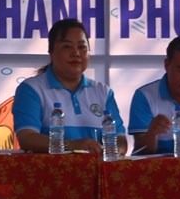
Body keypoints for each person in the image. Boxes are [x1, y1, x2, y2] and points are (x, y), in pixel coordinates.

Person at [12, 18, 127, 155]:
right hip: (50, 168)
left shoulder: (103, 92)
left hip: (96, 167)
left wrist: (113, 152)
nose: (76, 53)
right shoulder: (31, 89)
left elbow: (120, 139)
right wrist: (73, 146)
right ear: (51, 52)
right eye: (67, 46)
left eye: (82, 47)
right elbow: (27, 138)